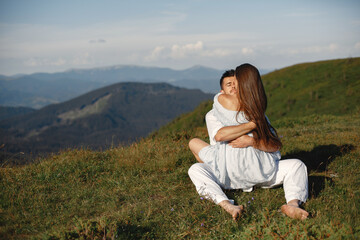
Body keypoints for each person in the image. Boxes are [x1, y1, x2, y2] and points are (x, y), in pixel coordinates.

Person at [188, 64, 309, 221]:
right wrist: (252, 125)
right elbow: (220, 135)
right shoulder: (257, 111)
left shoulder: (223, 101)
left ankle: (292, 205)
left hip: (235, 173)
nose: (233, 87)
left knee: (297, 164)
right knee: (196, 167)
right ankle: (228, 204)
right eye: (229, 84)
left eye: (235, 83)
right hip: (258, 170)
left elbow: (274, 145)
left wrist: (251, 141)